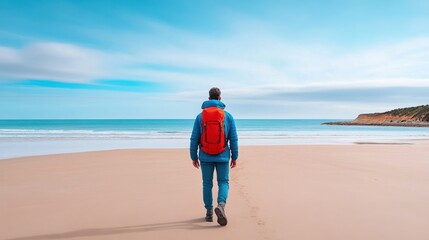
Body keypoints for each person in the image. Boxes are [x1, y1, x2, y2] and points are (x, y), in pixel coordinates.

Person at [190, 87, 238, 226]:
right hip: (223, 155)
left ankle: (209, 213)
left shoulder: (200, 117)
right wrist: (235, 156)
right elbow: (233, 139)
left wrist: (194, 156)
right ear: (220, 98)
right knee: (223, 182)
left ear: (209, 98)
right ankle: (221, 205)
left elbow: (194, 139)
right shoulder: (227, 116)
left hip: (205, 156)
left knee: (207, 184)